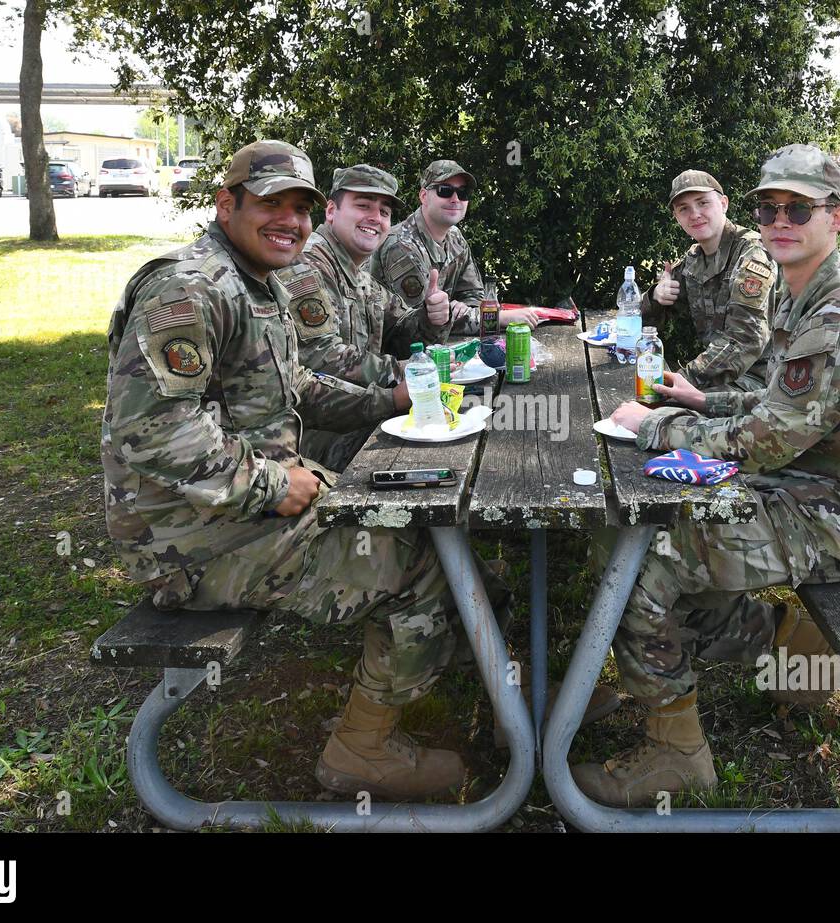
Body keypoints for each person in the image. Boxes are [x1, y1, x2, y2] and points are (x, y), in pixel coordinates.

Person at [102, 140, 484, 800]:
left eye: (300, 207)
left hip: (239, 511)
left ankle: (501, 680)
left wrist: (386, 399)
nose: (290, 220)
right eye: (271, 203)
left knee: (422, 511)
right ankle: (362, 748)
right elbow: (154, 430)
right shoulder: (190, 288)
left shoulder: (254, 282)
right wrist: (277, 484)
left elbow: (299, 384)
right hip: (190, 540)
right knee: (421, 555)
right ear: (226, 204)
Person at [572, 144, 840, 807]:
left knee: (643, 569)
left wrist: (653, 427)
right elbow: (777, 408)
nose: (780, 220)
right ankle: (793, 652)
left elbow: (765, 441)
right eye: (769, 207)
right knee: (642, 537)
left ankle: (676, 755)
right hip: (809, 485)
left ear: (838, 217)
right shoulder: (804, 294)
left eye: (799, 208)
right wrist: (700, 401)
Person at [294, 164, 454, 470]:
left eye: (384, 212)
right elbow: (321, 356)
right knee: (430, 457)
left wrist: (431, 317)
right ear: (331, 211)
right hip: (314, 439)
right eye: (363, 205)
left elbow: (403, 330)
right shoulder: (308, 267)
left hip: (360, 418)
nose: (375, 218)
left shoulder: (358, 273)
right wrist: (398, 370)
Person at [642, 170, 777, 391]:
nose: (694, 214)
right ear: (676, 217)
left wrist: (680, 382)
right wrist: (656, 296)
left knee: (656, 413)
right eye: (683, 208)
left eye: (703, 203)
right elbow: (638, 320)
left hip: (762, 381)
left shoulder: (752, 254)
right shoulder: (695, 258)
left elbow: (744, 341)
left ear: (723, 203)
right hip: (719, 376)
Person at [370, 159, 541, 333]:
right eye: (445, 191)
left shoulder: (454, 236)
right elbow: (424, 322)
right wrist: (499, 318)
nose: (455, 199)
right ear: (423, 196)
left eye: (463, 193)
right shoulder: (401, 246)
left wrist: (462, 307)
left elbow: (474, 295)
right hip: (388, 352)